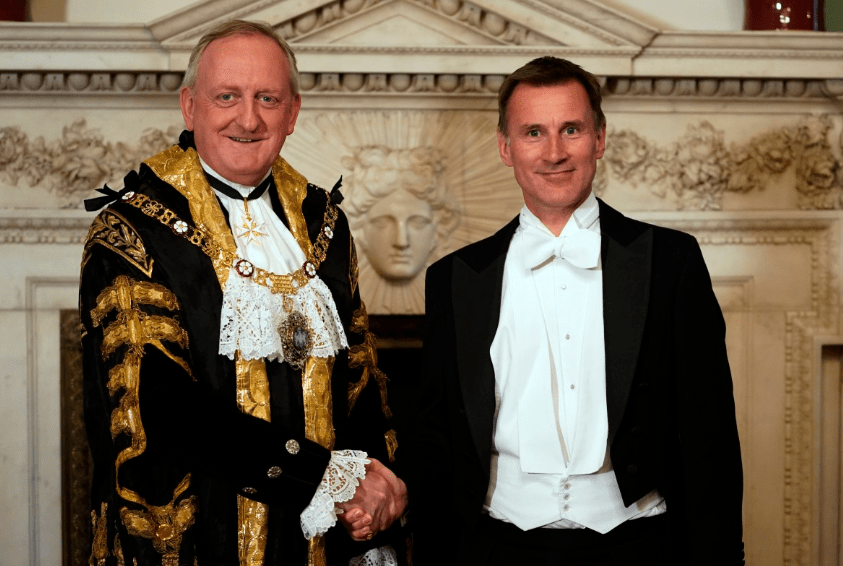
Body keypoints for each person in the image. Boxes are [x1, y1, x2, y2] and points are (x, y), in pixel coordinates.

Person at [79, 20, 407, 566]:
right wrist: (322, 475)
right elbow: (164, 407)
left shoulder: (325, 223)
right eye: (226, 96)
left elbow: (358, 381)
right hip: (196, 538)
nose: (248, 119)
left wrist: (374, 497)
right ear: (189, 106)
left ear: (293, 113)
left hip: (320, 539)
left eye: (268, 98)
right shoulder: (133, 231)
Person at [404, 56, 744, 565]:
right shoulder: (455, 279)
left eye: (571, 129)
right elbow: (435, 438)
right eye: (533, 132)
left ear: (600, 139)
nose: (555, 152)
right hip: (494, 549)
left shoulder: (671, 262)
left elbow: (709, 435)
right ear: (505, 147)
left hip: (639, 548)